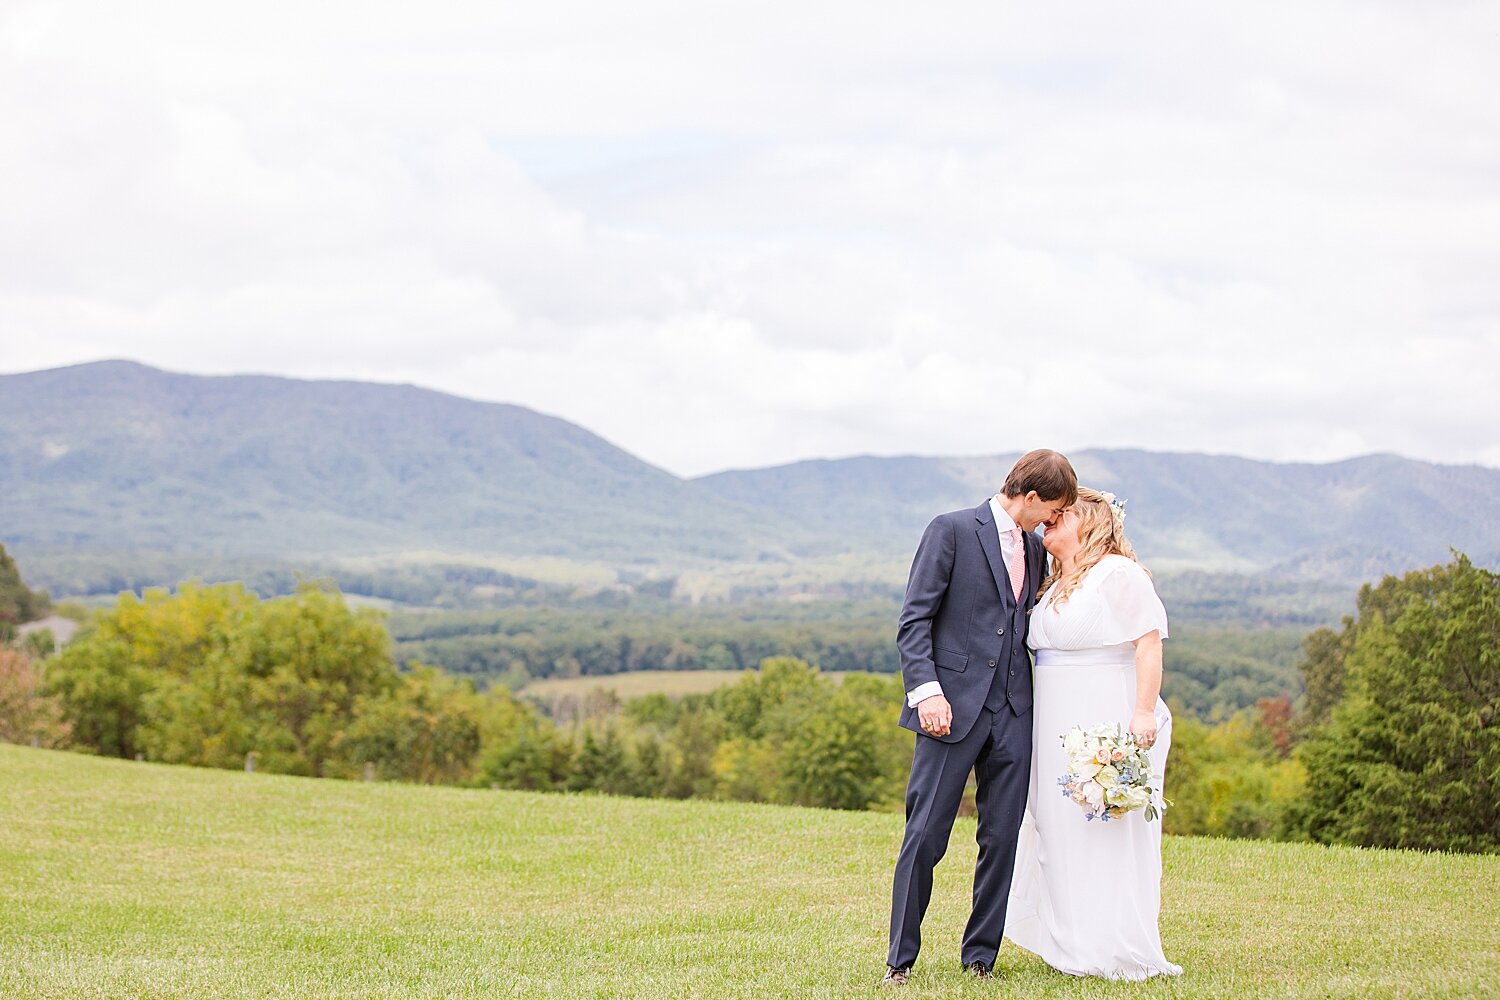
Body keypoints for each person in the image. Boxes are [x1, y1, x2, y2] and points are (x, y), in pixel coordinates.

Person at [882, 449, 1078, 987]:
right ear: (1030, 496)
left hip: (1015, 713)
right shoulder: (949, 530)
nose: (1051, 521)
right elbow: (914, 619)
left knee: (1002, 837)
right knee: (925, 834)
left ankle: (980, 960)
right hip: (951, 710)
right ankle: (900, 961)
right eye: (1051, 510)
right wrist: (927, 693)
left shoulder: (1037, 551)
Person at [1002, 487, 1182, 980]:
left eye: (1060, 517)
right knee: (1057, 829)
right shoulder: (1055, 581)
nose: (1048, 525)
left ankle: (1114, 946)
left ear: (1090, 523)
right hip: (1053, 724)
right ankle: (1070, 946)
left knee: (1106, 828)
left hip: (1106, 718)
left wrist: (1142, 713)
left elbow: (1148, 644)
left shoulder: (1118, 575)